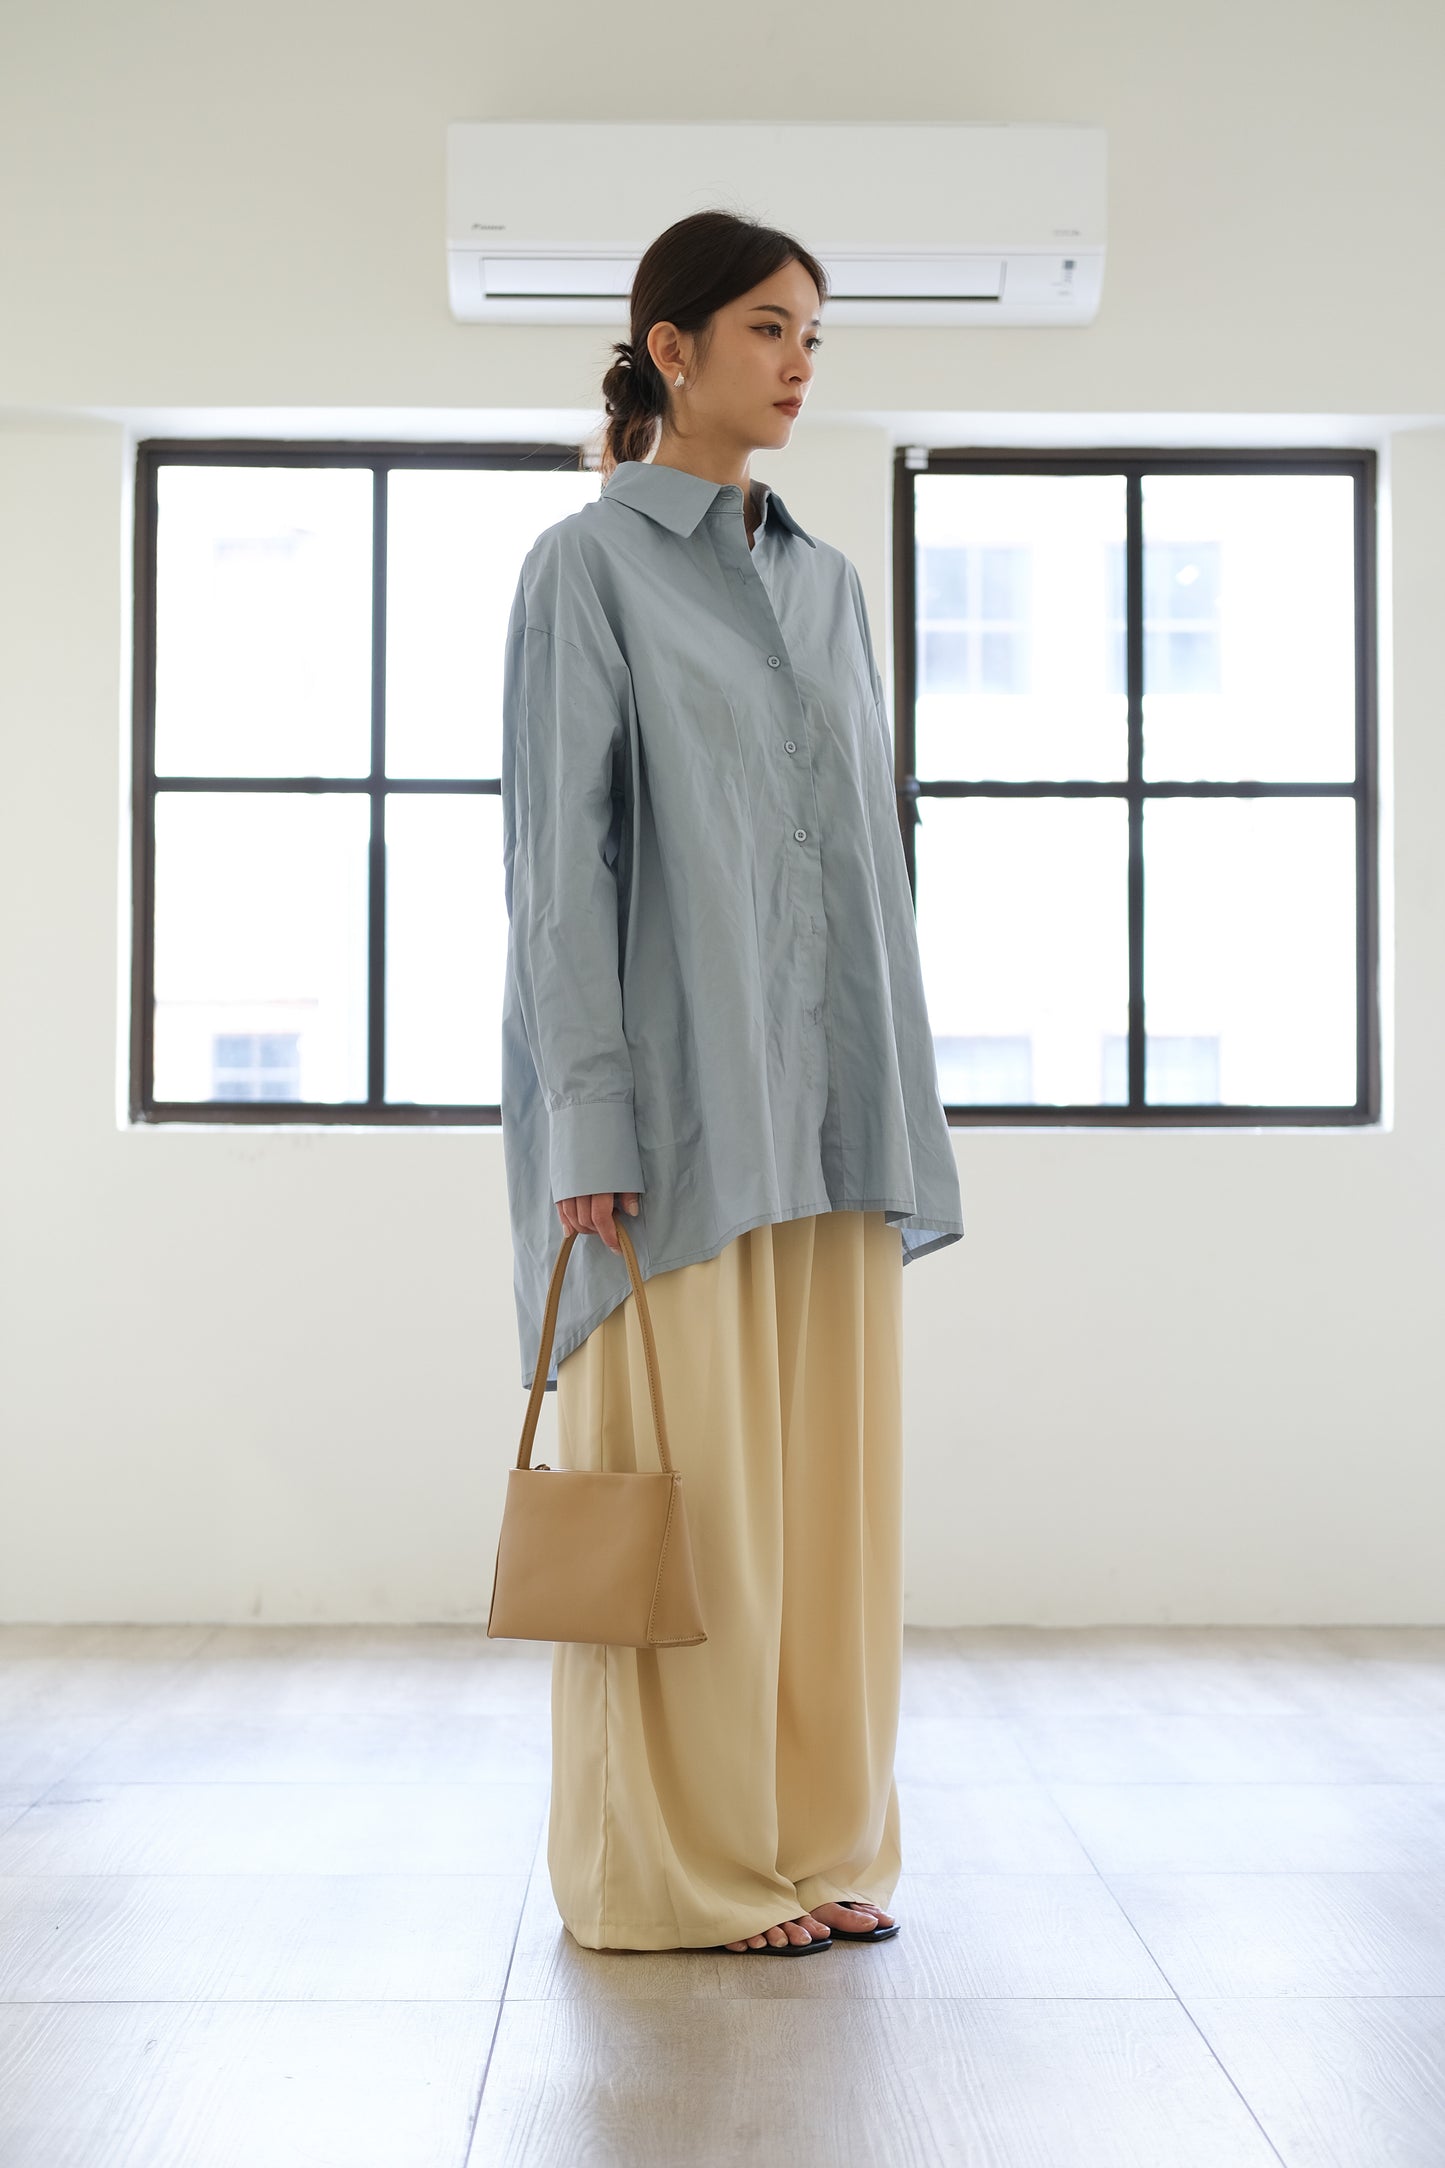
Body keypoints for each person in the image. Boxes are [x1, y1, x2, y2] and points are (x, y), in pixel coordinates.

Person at [499, 209, 965, 1954]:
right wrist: (587, 1118)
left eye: (813, 335)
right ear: (671, 348)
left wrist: (894, 1094)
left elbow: (867, 861)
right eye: (768, 327)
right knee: (688, 1518)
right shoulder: (585, 570)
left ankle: (812, 1840)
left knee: (823, 1508)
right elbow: (559, 874)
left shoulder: (826, 585)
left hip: (834, 1113)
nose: (799, 363)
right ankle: (676, 1869)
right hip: (677, 1125)